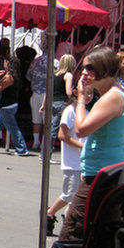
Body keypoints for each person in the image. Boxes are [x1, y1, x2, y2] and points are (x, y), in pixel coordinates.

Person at [59, 46, 124, 240]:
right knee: (94, 234)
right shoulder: (110, 95)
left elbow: (81, 129)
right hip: (101, 172)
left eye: (90, 68)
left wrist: (81, 99)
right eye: (83, 68)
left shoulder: (113, 97)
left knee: (72, 234)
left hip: (103, 175)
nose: (84, 73)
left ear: (104, 69)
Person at [46, 88, 91, 236]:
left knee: (76, 196)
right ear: (75, 92)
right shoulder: (70, 111)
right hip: (72, 162)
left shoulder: (88, 111)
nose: (88, 96)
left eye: (91, 93)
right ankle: (50, 214)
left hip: (85, 162)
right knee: (70, 195)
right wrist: (81, 146)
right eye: (86, 93)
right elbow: (62, 135)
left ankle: (69, 222)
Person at [41, 53, 75, 155]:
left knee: (50, 128)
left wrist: (43, 105)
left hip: (52, 101)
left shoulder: (54, 75)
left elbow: (47, 92)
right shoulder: (68, 75)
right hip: (62, 102)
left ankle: (44, 153)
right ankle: (46, 154)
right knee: (58, 129)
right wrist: (74, 99)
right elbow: (68, 92)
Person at [26, 40, 50, 152]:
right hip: (47, 94)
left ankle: (36, 142)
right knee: (47, 121)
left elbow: (29, 76)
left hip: (35, 92)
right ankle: (44, 143)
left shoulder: (35, 61)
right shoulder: (54, 62)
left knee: (36, 119)